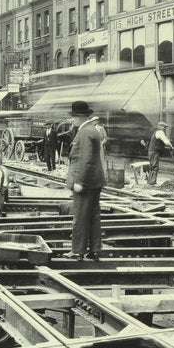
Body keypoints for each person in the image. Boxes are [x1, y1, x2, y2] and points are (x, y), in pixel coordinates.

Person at [64, 100, 106, 261]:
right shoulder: (92, 130)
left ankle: (78, 251)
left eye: (74, 117)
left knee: (80, 217)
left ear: (79, 117)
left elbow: (86, 159)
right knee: (93, 216)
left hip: (85, 182)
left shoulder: (85, 132)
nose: (73, 120)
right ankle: (95, 250)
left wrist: (79, 181)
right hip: (95, 181)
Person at [143, 121, 174, 185]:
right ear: (159, 126)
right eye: (163, 127)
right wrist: (171, 146)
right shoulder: (160, 132)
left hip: (152, 151)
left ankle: (150, 181)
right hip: (154, 152)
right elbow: (166, 141)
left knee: (152, 166)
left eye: (165, 127)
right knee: (154, 166)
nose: (164, 128)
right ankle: (152, 182)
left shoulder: (156, 132)